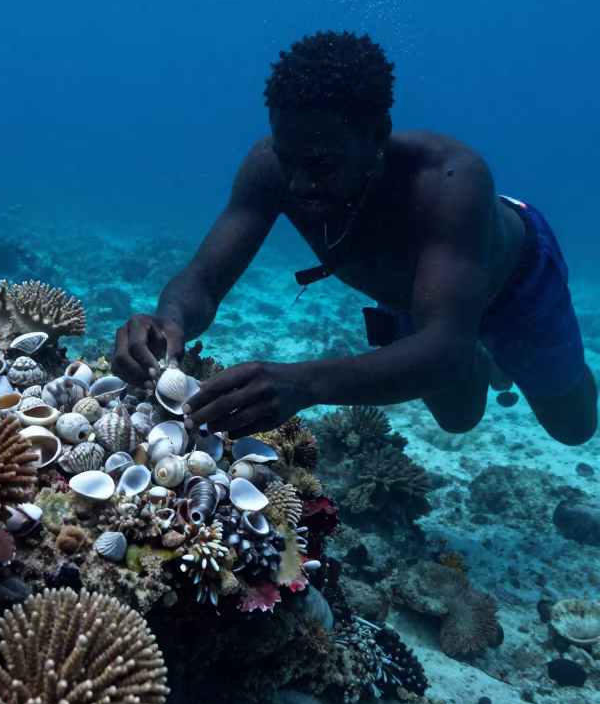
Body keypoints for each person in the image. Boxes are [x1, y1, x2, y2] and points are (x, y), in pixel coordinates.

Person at [113, 31, 597, 447]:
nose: (300, 184)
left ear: (378, 135)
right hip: (427, 307)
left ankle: (493, 340)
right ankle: (469, 341)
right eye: (289, 160)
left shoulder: (451, 181)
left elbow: (443, 353)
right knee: (458, 418)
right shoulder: (270, 168)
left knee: (573, 428)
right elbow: (202, 279)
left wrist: (304, 383)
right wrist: (167, 320)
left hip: (517, 284)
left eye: (324, 164)